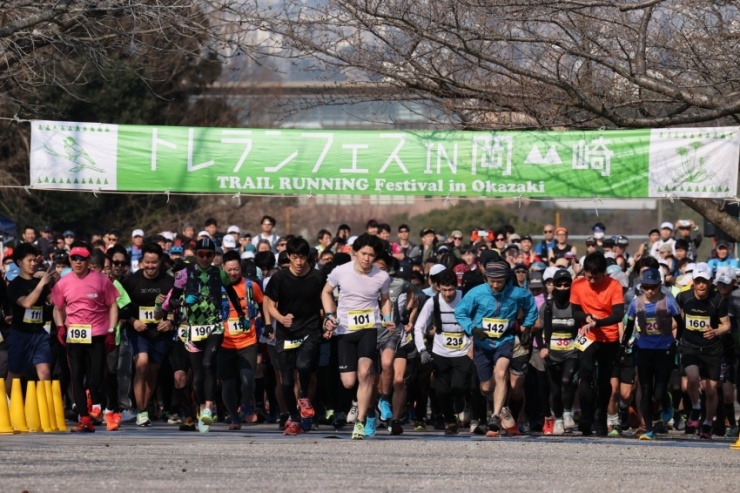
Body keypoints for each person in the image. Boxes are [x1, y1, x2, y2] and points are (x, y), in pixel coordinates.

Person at [167, 237, 248, 433]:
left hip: (214, 326)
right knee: (197, 376)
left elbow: (232, 295)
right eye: (201, 254)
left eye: (209, 255)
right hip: (193, 328)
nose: (204, 258)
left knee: (208, 363)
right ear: (196, 255)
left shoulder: (220, 273)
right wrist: (184, 301)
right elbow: (172, 301)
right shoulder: (184, 274)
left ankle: (208, 409)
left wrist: (242, 315)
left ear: (214, 256)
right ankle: (202, 405)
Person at [322, 233, 394, 440]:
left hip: (368, 329)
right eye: (363, 254)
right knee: (348, 382)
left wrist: (387, 318)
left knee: (365, 373)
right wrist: (329, 315)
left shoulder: (382, 276)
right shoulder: (340, 271)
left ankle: (361, 421)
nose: (367, 258)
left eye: (371, 255)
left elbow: (385, 299)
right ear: (355, 252)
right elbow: (326, 292)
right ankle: (367, 409)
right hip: (345, 330)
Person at [455, 260, 538, 437]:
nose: (495, 285)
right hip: (483, 344)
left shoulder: (516, 293)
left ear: (506, 279)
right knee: (486, 388)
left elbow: (531, 306)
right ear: (486, 278)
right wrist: (472, 329)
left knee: (501, 373)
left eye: (499, 281)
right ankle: (499, 404)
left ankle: (494, 417)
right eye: (492, 281)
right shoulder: (476, 293)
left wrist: (527, 327)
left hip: (504, 340)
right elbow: (460, 312)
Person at [52, 243, 120, 433]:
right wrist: (60, 327)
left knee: (95, 378)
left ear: (88, 260)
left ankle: (97, 403)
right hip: (75, 335)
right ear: (70, 260)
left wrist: (111, 330)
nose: (78, 262)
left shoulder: (101, 280)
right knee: (76, 376)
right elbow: (57, 308)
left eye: (81, 259)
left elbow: (113, 305)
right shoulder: (63, 283)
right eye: (74, 258)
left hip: (97, 334)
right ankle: (84, 419)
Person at [264, 237, 324, 435]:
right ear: (288, 256)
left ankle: (304, 397)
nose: (299, 262)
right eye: (295, 257)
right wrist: (281, 319)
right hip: (286, 332)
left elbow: (324, 302)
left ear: (308, 257)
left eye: (302, 257)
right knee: (287, 381)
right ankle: (294, 418)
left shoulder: (317, 277)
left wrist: (327, 321)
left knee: (304, 365)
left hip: (310, 330)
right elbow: (269, 304)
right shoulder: (279, 278)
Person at [623, 268, 682, 440]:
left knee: (658, 392)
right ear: (642, 286)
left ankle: (666, 402)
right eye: (646, 287)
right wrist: (623, 344)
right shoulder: (636, 303)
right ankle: (648, 428)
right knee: (646, 389)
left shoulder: (668, 302)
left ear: (660, 285)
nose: (649, 291)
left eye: (653, 287)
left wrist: (676, 343)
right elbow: (629, 326)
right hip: (643, 349)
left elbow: (681, 323)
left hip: (664, 350)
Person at [570, 251, 625, 436]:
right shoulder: (578, 285)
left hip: (609, 337)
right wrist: (585, 317)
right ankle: (586, 418)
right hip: (587, 336)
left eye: (596, 277)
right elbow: (574, 312)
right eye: (589, 277)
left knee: (604, 380)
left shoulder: (614, 285)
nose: (592, 281)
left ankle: (601, 418)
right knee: (585, 375)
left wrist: (598, 323)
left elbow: (618, 314)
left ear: (604, 273)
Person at [121, 242, 175, 427]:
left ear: (160, 262)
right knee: (141, 364)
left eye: (154, 262)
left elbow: (177, 307)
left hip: (160, 333)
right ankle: (142, 411)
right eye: (147, 262)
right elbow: (122, 306)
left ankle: (143, 408)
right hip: (139, 332)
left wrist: (170, 322)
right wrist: (133, 321)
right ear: (141, 261)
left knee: (152, 372)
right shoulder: (132, 281)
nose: (150, 266)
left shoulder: (169, 281)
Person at [676, 262, 730, 439]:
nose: (701, 285)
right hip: (690, 346)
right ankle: (696, 406)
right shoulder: (683, 297)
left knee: (711, 390)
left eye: (704, 281)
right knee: (692, 379)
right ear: (693, 281)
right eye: (698, 281)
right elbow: (678, 318)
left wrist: (715, 331)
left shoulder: (718, 300)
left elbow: (726, 325)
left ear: (710, 282)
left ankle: (707, 423)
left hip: (712, 349)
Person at [414, 269, 471, 435]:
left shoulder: (466, 298)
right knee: (441, 391)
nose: (448, 294)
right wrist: (422, 350)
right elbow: (419, 327)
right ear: (438, 287)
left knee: (458, 386)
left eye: (451, 289)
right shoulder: (433, 302)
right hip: (440, 352)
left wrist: (473, 345)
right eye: (444, 290)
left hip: (463, 351)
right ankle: (450, 421)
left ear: (456, 286)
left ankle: (461, 400)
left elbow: (476, 321)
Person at [219, 250, 264, 430]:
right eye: (229, 270)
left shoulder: (251, 286)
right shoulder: (217, 287)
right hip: (225, 343)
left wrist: (267, 324)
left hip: (248, 342)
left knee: (248, 379)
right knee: (228, 384)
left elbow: (263, 304)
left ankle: (245, 405)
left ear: (241, 268)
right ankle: (234, 417)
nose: (233, 273)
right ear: (223, 268)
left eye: (236, 269)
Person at [5, 243, 57, 394]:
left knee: (45, 372)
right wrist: (41, 285)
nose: (33, 263)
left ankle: (46, 406)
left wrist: (55, 281)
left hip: (40, 334)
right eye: (30, 260)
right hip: (19, 335)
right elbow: (27, 303)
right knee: (15, 375)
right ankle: (4, 404)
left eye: (35, 260)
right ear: (19, 262)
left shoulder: (40, 282)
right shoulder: (14, 286)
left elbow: (53, 299)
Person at [536, 269, 578, 435]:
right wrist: (542, 347)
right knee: (554, 389)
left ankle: (567, 413)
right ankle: (558, 419)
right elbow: (538, 330)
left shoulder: (575, 306)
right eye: (559, 285)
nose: (562, 288)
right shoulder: (546, 307)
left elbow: (581, 328)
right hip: (552, 354)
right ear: (553, 286)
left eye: (566, 285)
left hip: (571, 352)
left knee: (567, 381)